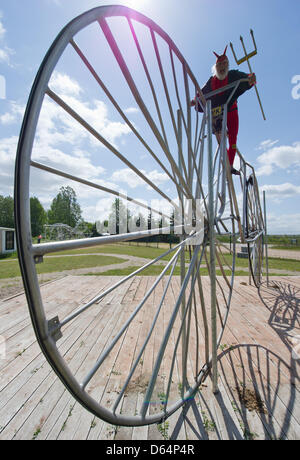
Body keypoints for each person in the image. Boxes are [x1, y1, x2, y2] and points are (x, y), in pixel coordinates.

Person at [191, 46, 256, 175]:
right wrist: (194, 101)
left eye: (225, 64)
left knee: (233, 137)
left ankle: (230, 165)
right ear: (215, 67)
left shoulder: (233, 75)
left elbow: (247, 78)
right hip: (217, 112)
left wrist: (251, 78)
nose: (222, 67)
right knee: (218, 131)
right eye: (220, 64)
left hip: (231, 109)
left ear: (228, 65)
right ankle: (222, 153)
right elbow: (201, 94)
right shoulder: (211, 81)